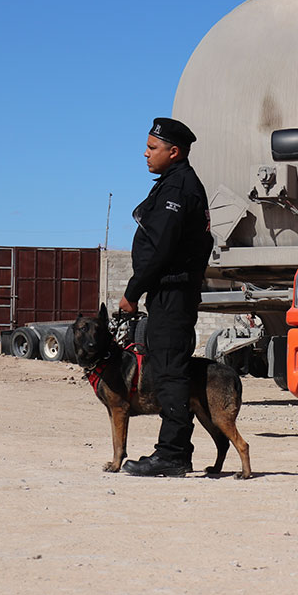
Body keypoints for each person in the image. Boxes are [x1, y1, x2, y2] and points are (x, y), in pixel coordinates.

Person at [120, 117, 213, 477]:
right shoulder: (175, 184)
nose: (145, 154)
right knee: (166, 368)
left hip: (173, 292)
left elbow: (161, 249)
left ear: (173, 152)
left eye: (153, 148)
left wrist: (132, 291)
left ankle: (173, 454)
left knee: (170, 372)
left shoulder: (179, 189)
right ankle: (174, 450)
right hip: (170, 292)